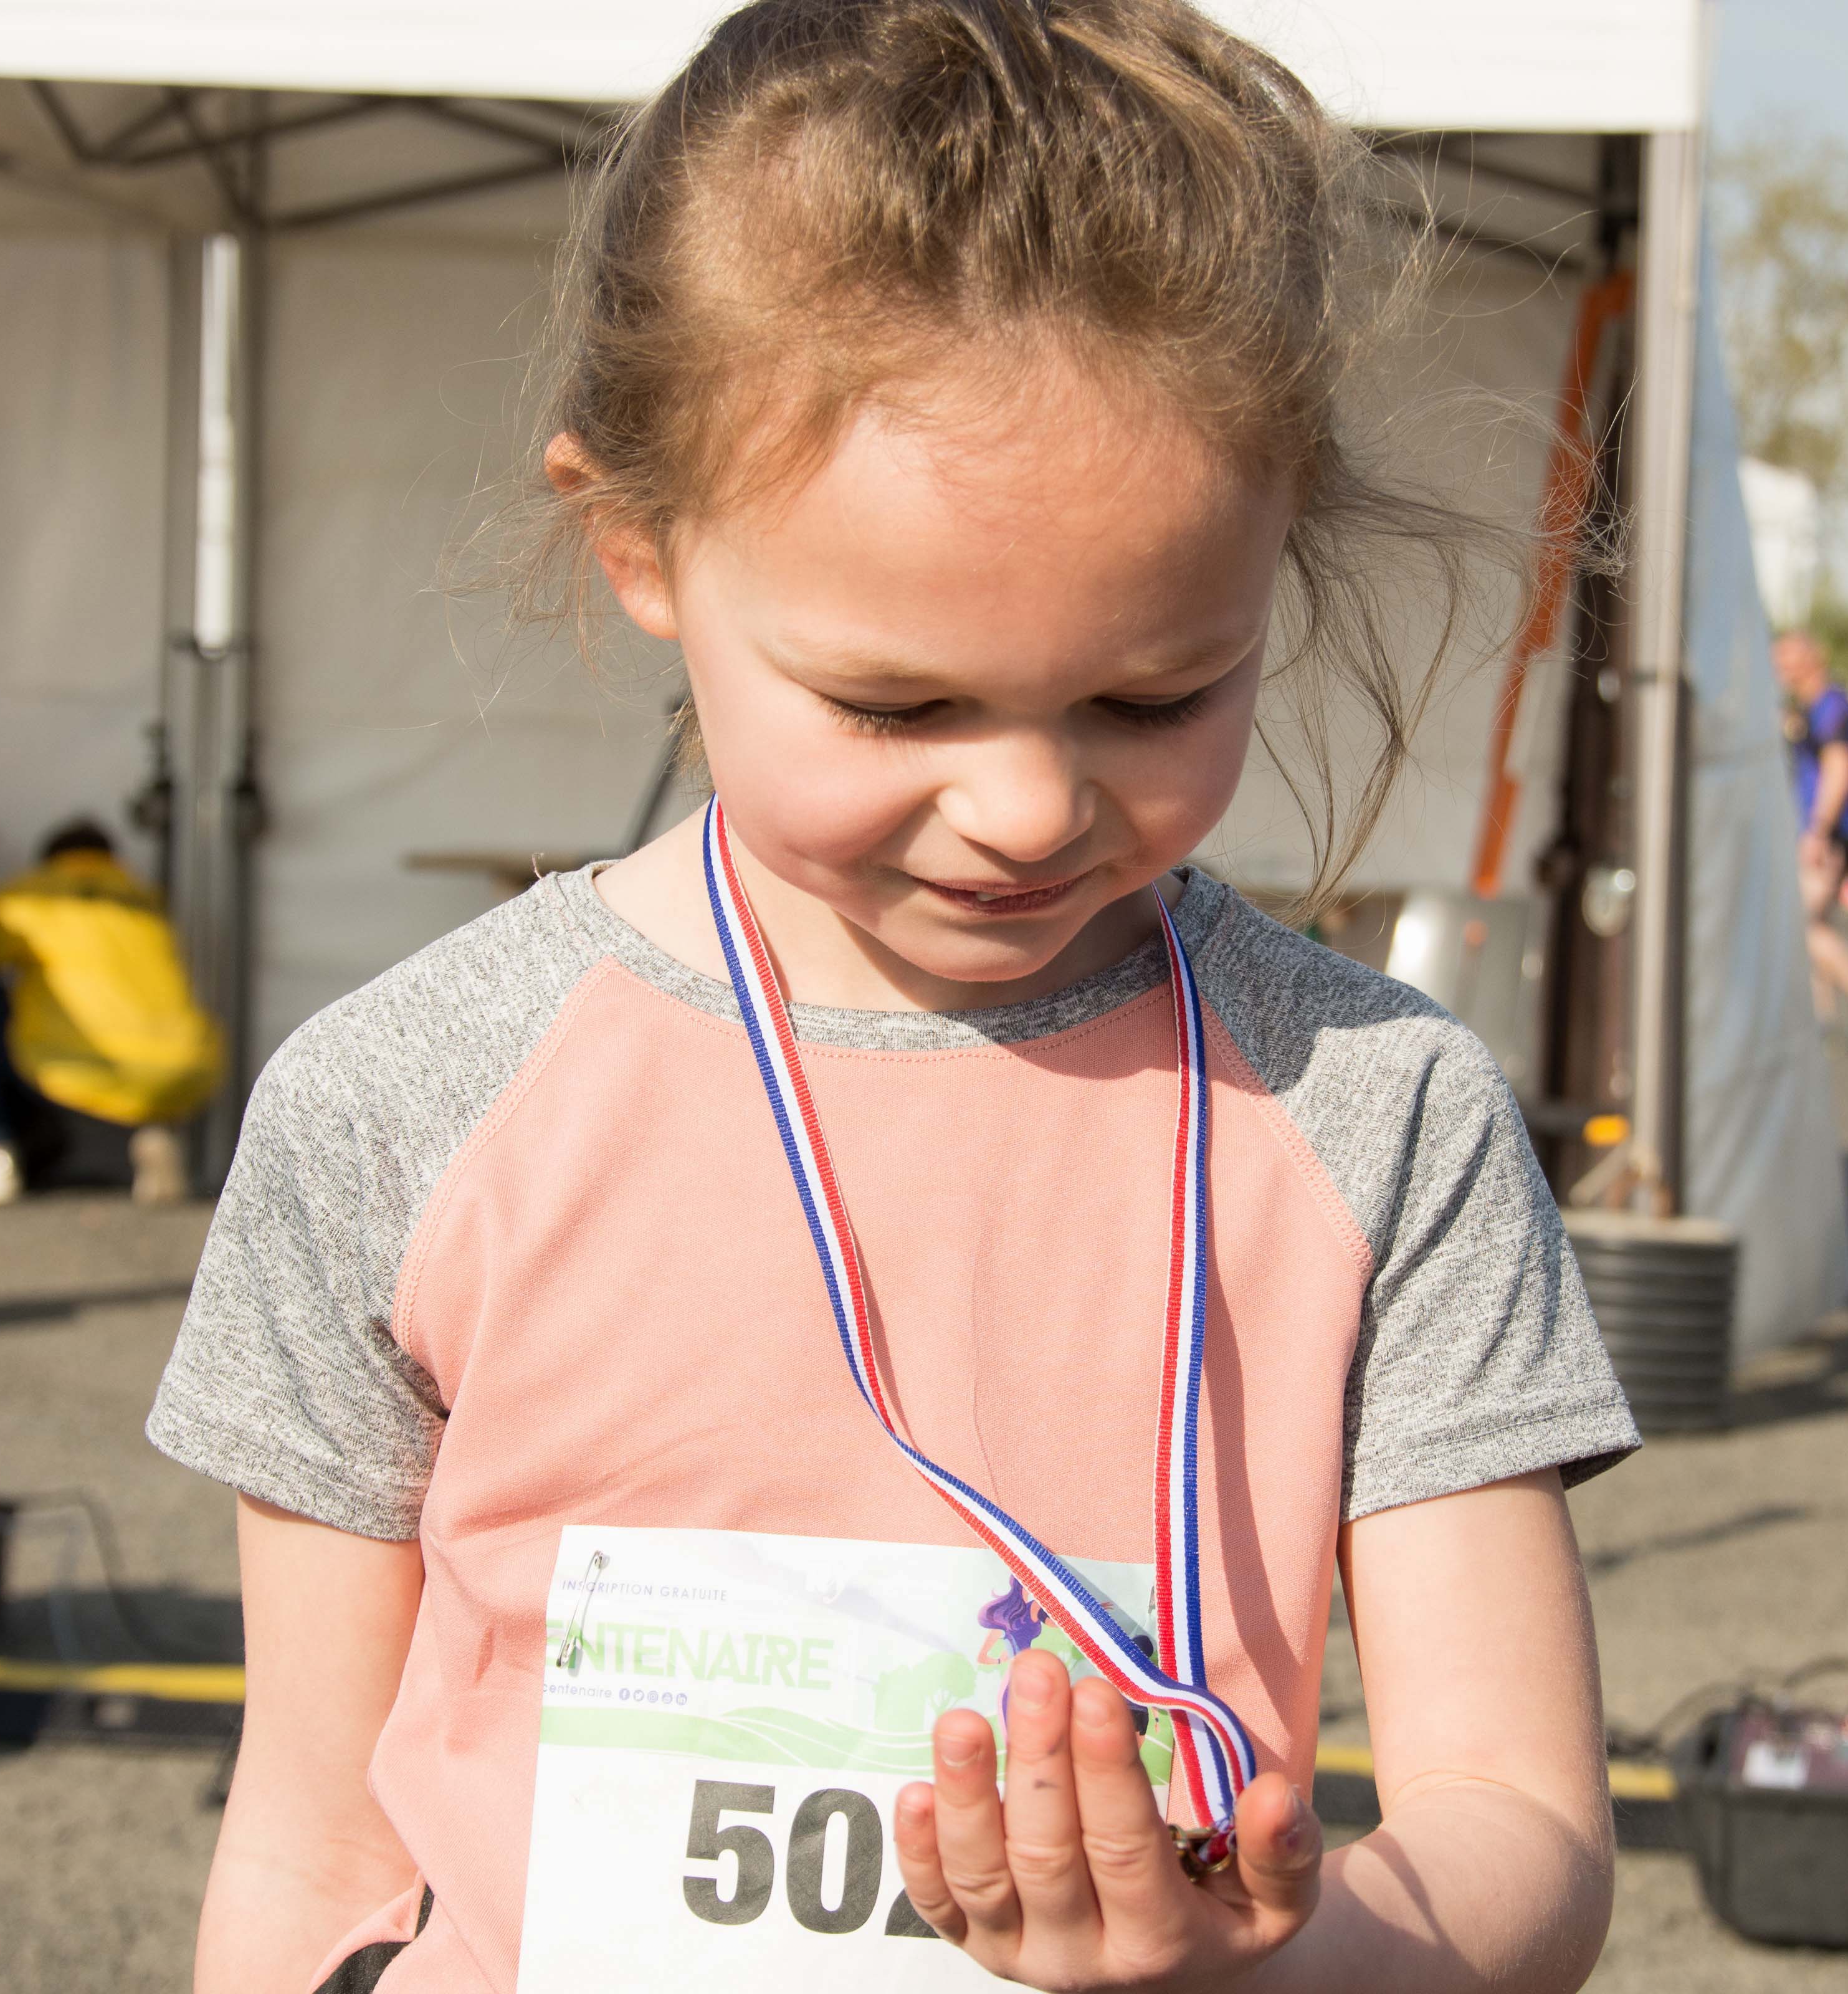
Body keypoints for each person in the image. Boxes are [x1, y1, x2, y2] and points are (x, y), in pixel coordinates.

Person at [150, 8, 1639, 1992]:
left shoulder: (1378, 1112)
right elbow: (308, 1835)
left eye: (1153, 695)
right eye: (895, 703)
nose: (1025, 807)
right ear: (638, 546)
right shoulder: (401, 1100)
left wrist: (1245, 1976)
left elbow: (1518, 1824)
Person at [0, 818, 223, 1208]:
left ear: (51, 860)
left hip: (84, 1060)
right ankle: (156, 1133)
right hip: (184, 1070)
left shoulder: (32, 894)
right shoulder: (146, 900)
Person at [1776, 632, 1848, 1033]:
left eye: (1788, 658)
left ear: (1811, 659)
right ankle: (1818, 1021)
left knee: (1803, 925)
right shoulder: (1810, 708)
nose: (1780, 667)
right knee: (1816, 923)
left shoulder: (1830, 707)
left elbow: (1839, 770)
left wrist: (1818, 832)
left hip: (1830, 831)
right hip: (1821, 829)